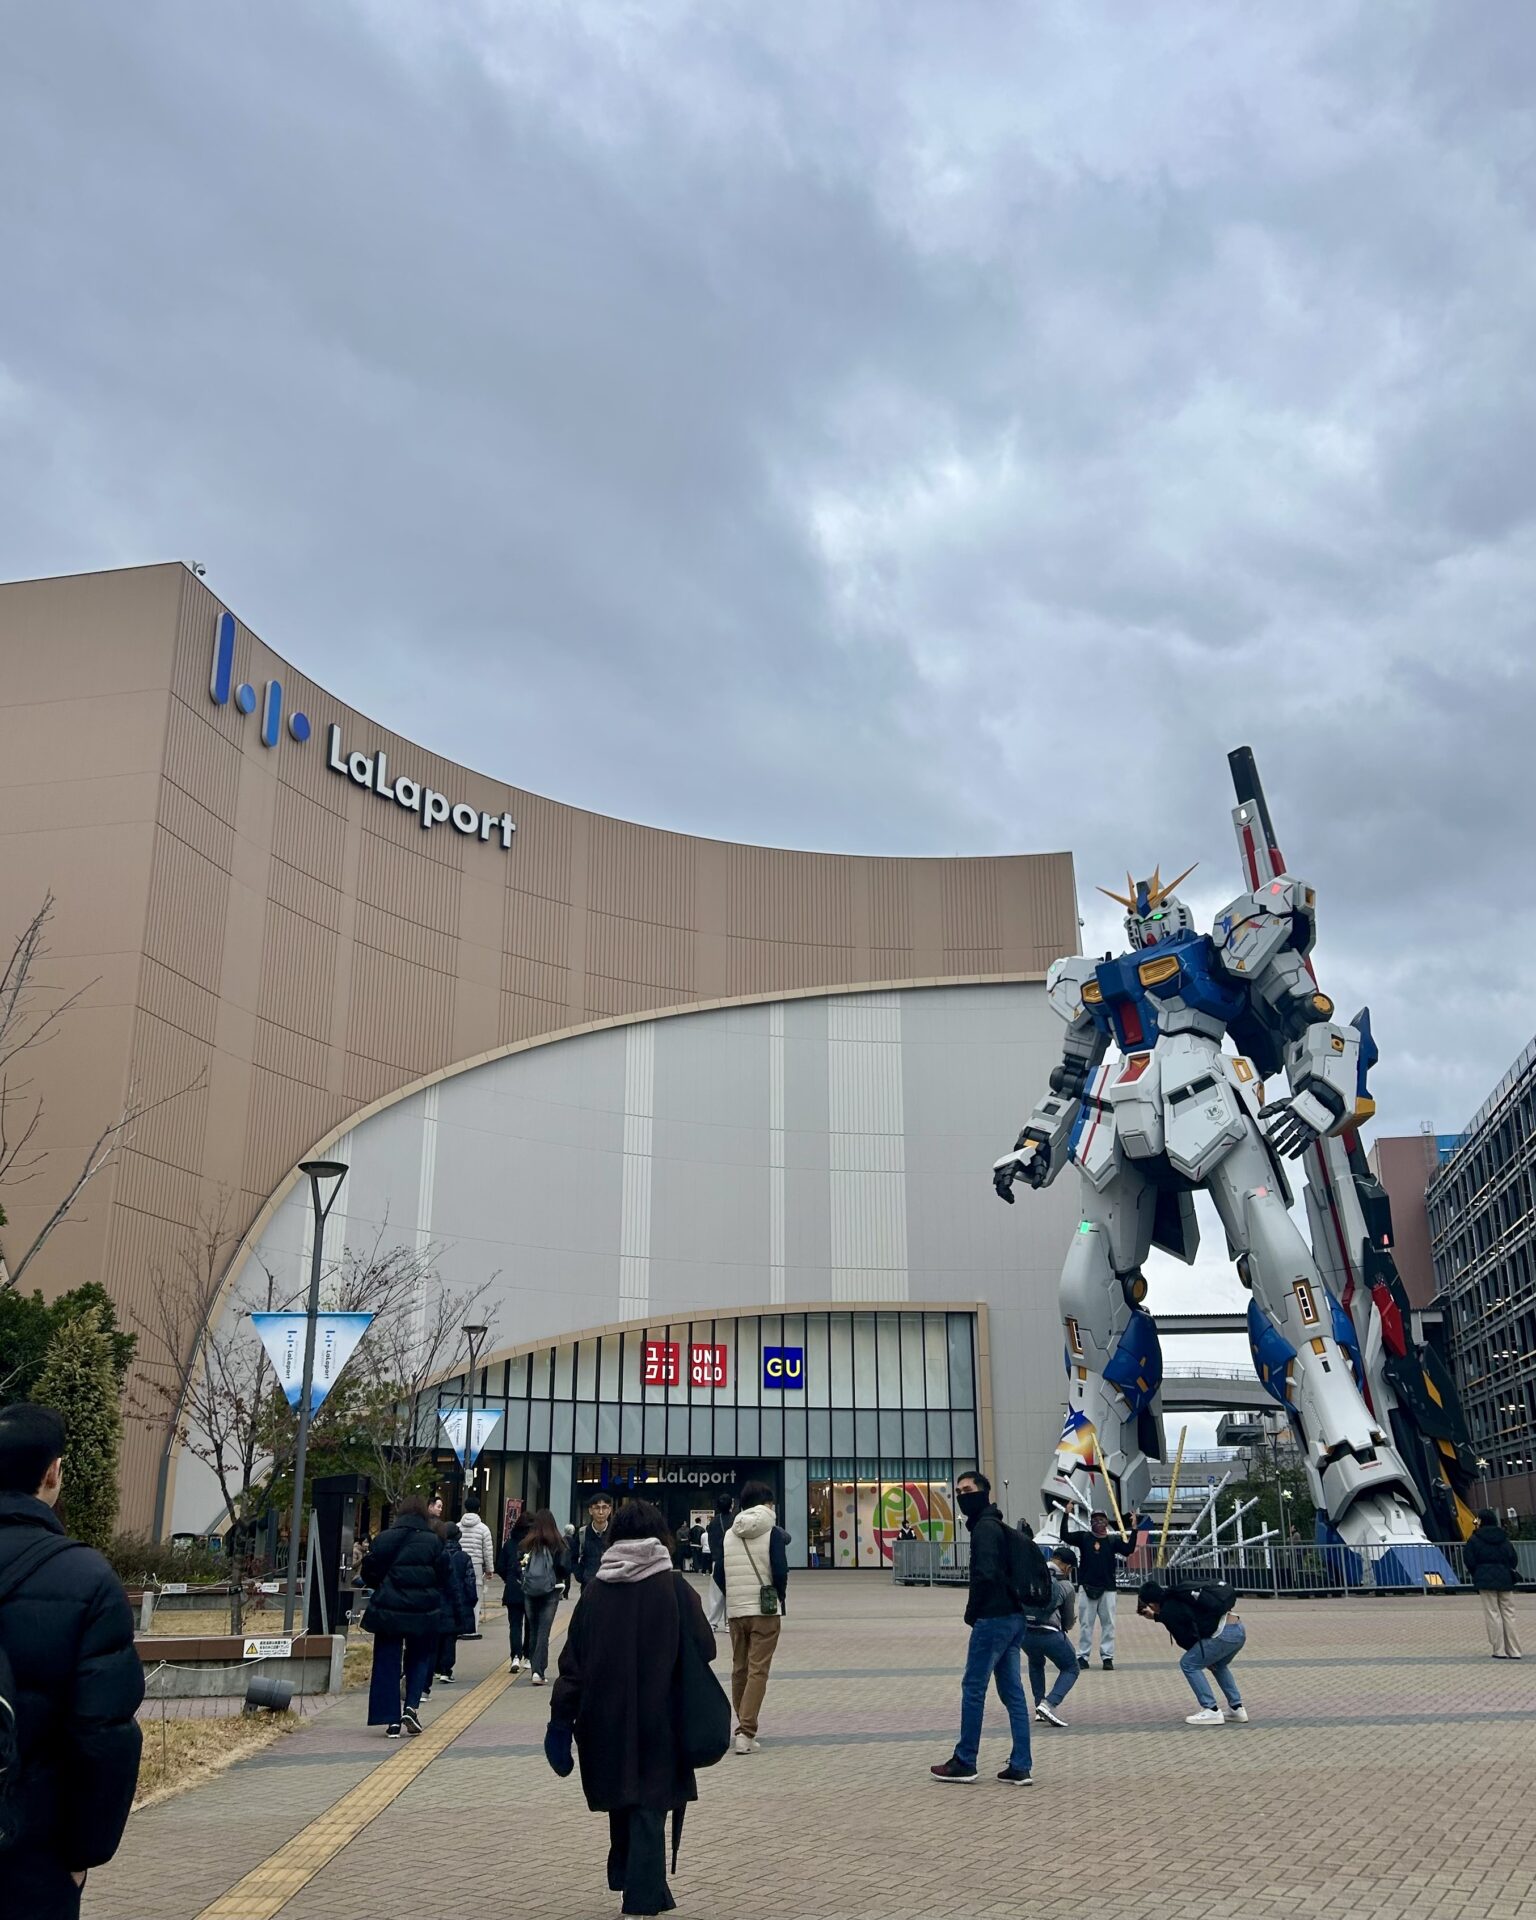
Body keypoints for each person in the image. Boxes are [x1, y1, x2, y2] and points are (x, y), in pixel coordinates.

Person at [0, 1404, 143, 1920]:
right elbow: (103, 1736)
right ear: (52, 1472)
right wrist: (83, 1853)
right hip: (32, 1849)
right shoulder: (86, 1577)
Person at [548, 1499, 716, 1917]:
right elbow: (706, 1648)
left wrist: (559, 1721)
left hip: (603, 1717)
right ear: (660, 1536)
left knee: (625, 1797)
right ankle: (641, 1897)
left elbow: (573, 1664)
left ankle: (635, 1879)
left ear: (614, 1537)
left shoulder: (596, 1593)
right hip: (663, 1717)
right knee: (650, 1803)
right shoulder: (676, 1589)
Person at [930, 1470, 1033, 1785]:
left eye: (968, 1489)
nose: (962, 1495)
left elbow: (984, 1574)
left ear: (984, 1492)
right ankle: (1021, 1765)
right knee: (1012, 1692)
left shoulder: (984, 1530)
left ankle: (965, 1759)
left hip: (994, 1618)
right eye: (958, 1491)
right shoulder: (997, 1526)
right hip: (1015, 1617)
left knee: (974, 1688)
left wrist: (972, 1613)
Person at [361, 1493, 452, 1737]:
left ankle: (390, 1719)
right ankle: (411, 1706)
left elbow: (369, 1572)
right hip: (423, 1610)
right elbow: (445, 1573)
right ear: (424, 1513)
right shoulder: (433, 1541)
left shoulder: (384, 1539)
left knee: (386, 1661)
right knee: (420, 1657)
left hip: (389, 1609)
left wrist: (385, 1585)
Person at [721, 1480, 789, 1755]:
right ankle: (746, 1732)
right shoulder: (772, 1532)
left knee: (740, 1668)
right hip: (765, 1610)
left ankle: (741, 1725)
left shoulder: (729, 1533)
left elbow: (719, 1573)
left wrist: (735, 1596)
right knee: (758, 1669)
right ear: (768, 1504)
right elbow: (780, 1569)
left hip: (737, 1610)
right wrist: (779, 1595)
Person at [1137, 1578, 1249, 1725]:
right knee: (1219, 1665)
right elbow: (1182, 1616)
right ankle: (1237, 1709)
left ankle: (1211, 1709)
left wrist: (1203, 1657)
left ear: (1151, 1605)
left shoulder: (1169, 1608)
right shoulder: (1176, 1596)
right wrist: (1157, 1617)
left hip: (1223, 1634)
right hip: (1237, 1629)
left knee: (1188, 1664)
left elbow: (1186, 1638)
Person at [1063, 1509, 1134, 1669]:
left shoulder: (1112, 1541)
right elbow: (1065, 1536)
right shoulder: (1084, 1538)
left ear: (1106, 1522)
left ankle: (1107, 1657)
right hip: (1086, 1586)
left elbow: (1128, 1549)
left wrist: (1134, 1530)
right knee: (1085, 1624)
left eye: (1102, 1519)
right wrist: (1066, 1515)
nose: (1098, 1522)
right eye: (1095, 1519)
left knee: (1108, 1624)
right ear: (1091, 1522)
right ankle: (1083, 1656)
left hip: (1108, 1588)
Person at [1023, 1544, 1080, 1728]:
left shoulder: (1032, 1573)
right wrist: (1071, 1623)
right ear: (1067, 1567)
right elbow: (1068, 1620)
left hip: (1025, 1632)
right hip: (1050, 1634)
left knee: (1035, 1662)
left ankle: (1038, 1704)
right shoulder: (1065, 1585)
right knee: (1071, 1667)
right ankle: (1049, 1704)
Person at [519, 1508, 571, 1684]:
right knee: (544, 1631)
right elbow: (565, 1566)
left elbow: (517, 1565)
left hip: (530, 1591)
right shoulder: (559, 1543)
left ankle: (535, 1668)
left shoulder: (527, 1543)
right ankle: (538, 1672)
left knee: (533, 1629)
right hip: (552, 1590)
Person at [1464, 1508, 1523, 1659]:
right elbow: (1513, 1559)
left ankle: (1499, 1650)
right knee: (1509, 1614)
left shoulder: (1474, 1539)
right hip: (1505, 1579)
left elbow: (1469, 1560)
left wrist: (1477, 1572)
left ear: (1481, 1521)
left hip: (1485, 1580)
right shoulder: (1504, 1538)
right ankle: (1515, 1650)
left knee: (1493, 1613)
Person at [434, 1523, 478, 1684]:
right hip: (456, 1602)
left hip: (436, 1601)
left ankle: (436, 1668)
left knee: (437, 1636)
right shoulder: (464, 1557)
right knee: (450, 1638)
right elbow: (470, 1582)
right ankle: (446, 1669)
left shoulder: (435, 1554)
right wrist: (471, 1600)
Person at [497, 1506, 532, 1674]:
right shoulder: (535, 1544)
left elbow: (500, 1566)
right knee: (531, 1624)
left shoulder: (510, 1544)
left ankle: (515, 1656)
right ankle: (528, 1656)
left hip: (513, 1588)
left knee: (515, 1625)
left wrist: (509, 1579)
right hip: (532, 1590)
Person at [456, 1493, 496, 1638]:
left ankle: (459, 1626)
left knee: (459, 1594)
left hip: (458, 1564)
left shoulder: (457, 1527)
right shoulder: (483, 1529)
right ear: (479, 1509)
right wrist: (490, 1569)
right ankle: (472, 1628)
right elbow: (488, 1550)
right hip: (476, 1565)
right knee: (476, 1596)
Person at [572, 1493, 615, 1590]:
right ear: (590, 1511)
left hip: (611, 1585)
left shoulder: (615, 1533)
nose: (601, 1512)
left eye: (604, 1507)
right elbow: (573, 1557)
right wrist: (581, 1576)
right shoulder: (582, 1533)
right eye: (596, 1508)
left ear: (609, 1510)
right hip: (588, 1586)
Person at [704, 1494, 733, 1632]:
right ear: (731, 1505)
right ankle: (729, 1623)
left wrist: (715, 1556)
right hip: (733, 1560)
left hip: (718, 1560)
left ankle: (712, 1623)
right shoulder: (736, 1520)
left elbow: (711, 1541)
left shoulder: (714, 1522)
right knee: (731, 1592)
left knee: (716, 1593)